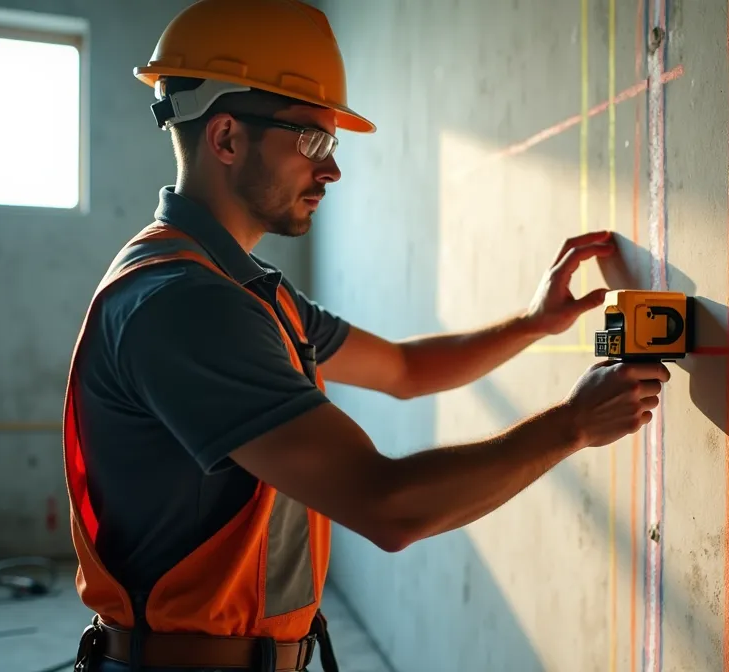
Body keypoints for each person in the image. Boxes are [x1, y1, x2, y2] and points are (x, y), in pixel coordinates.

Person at [62, 1, 669, 670]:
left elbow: (406, 370)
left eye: (333, 145)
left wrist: (533, 324)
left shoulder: (246, 292)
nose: (331, 170)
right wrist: (575, 425)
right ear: (227, 137)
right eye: (311, 141)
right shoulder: (186, 305)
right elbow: (388, 506)